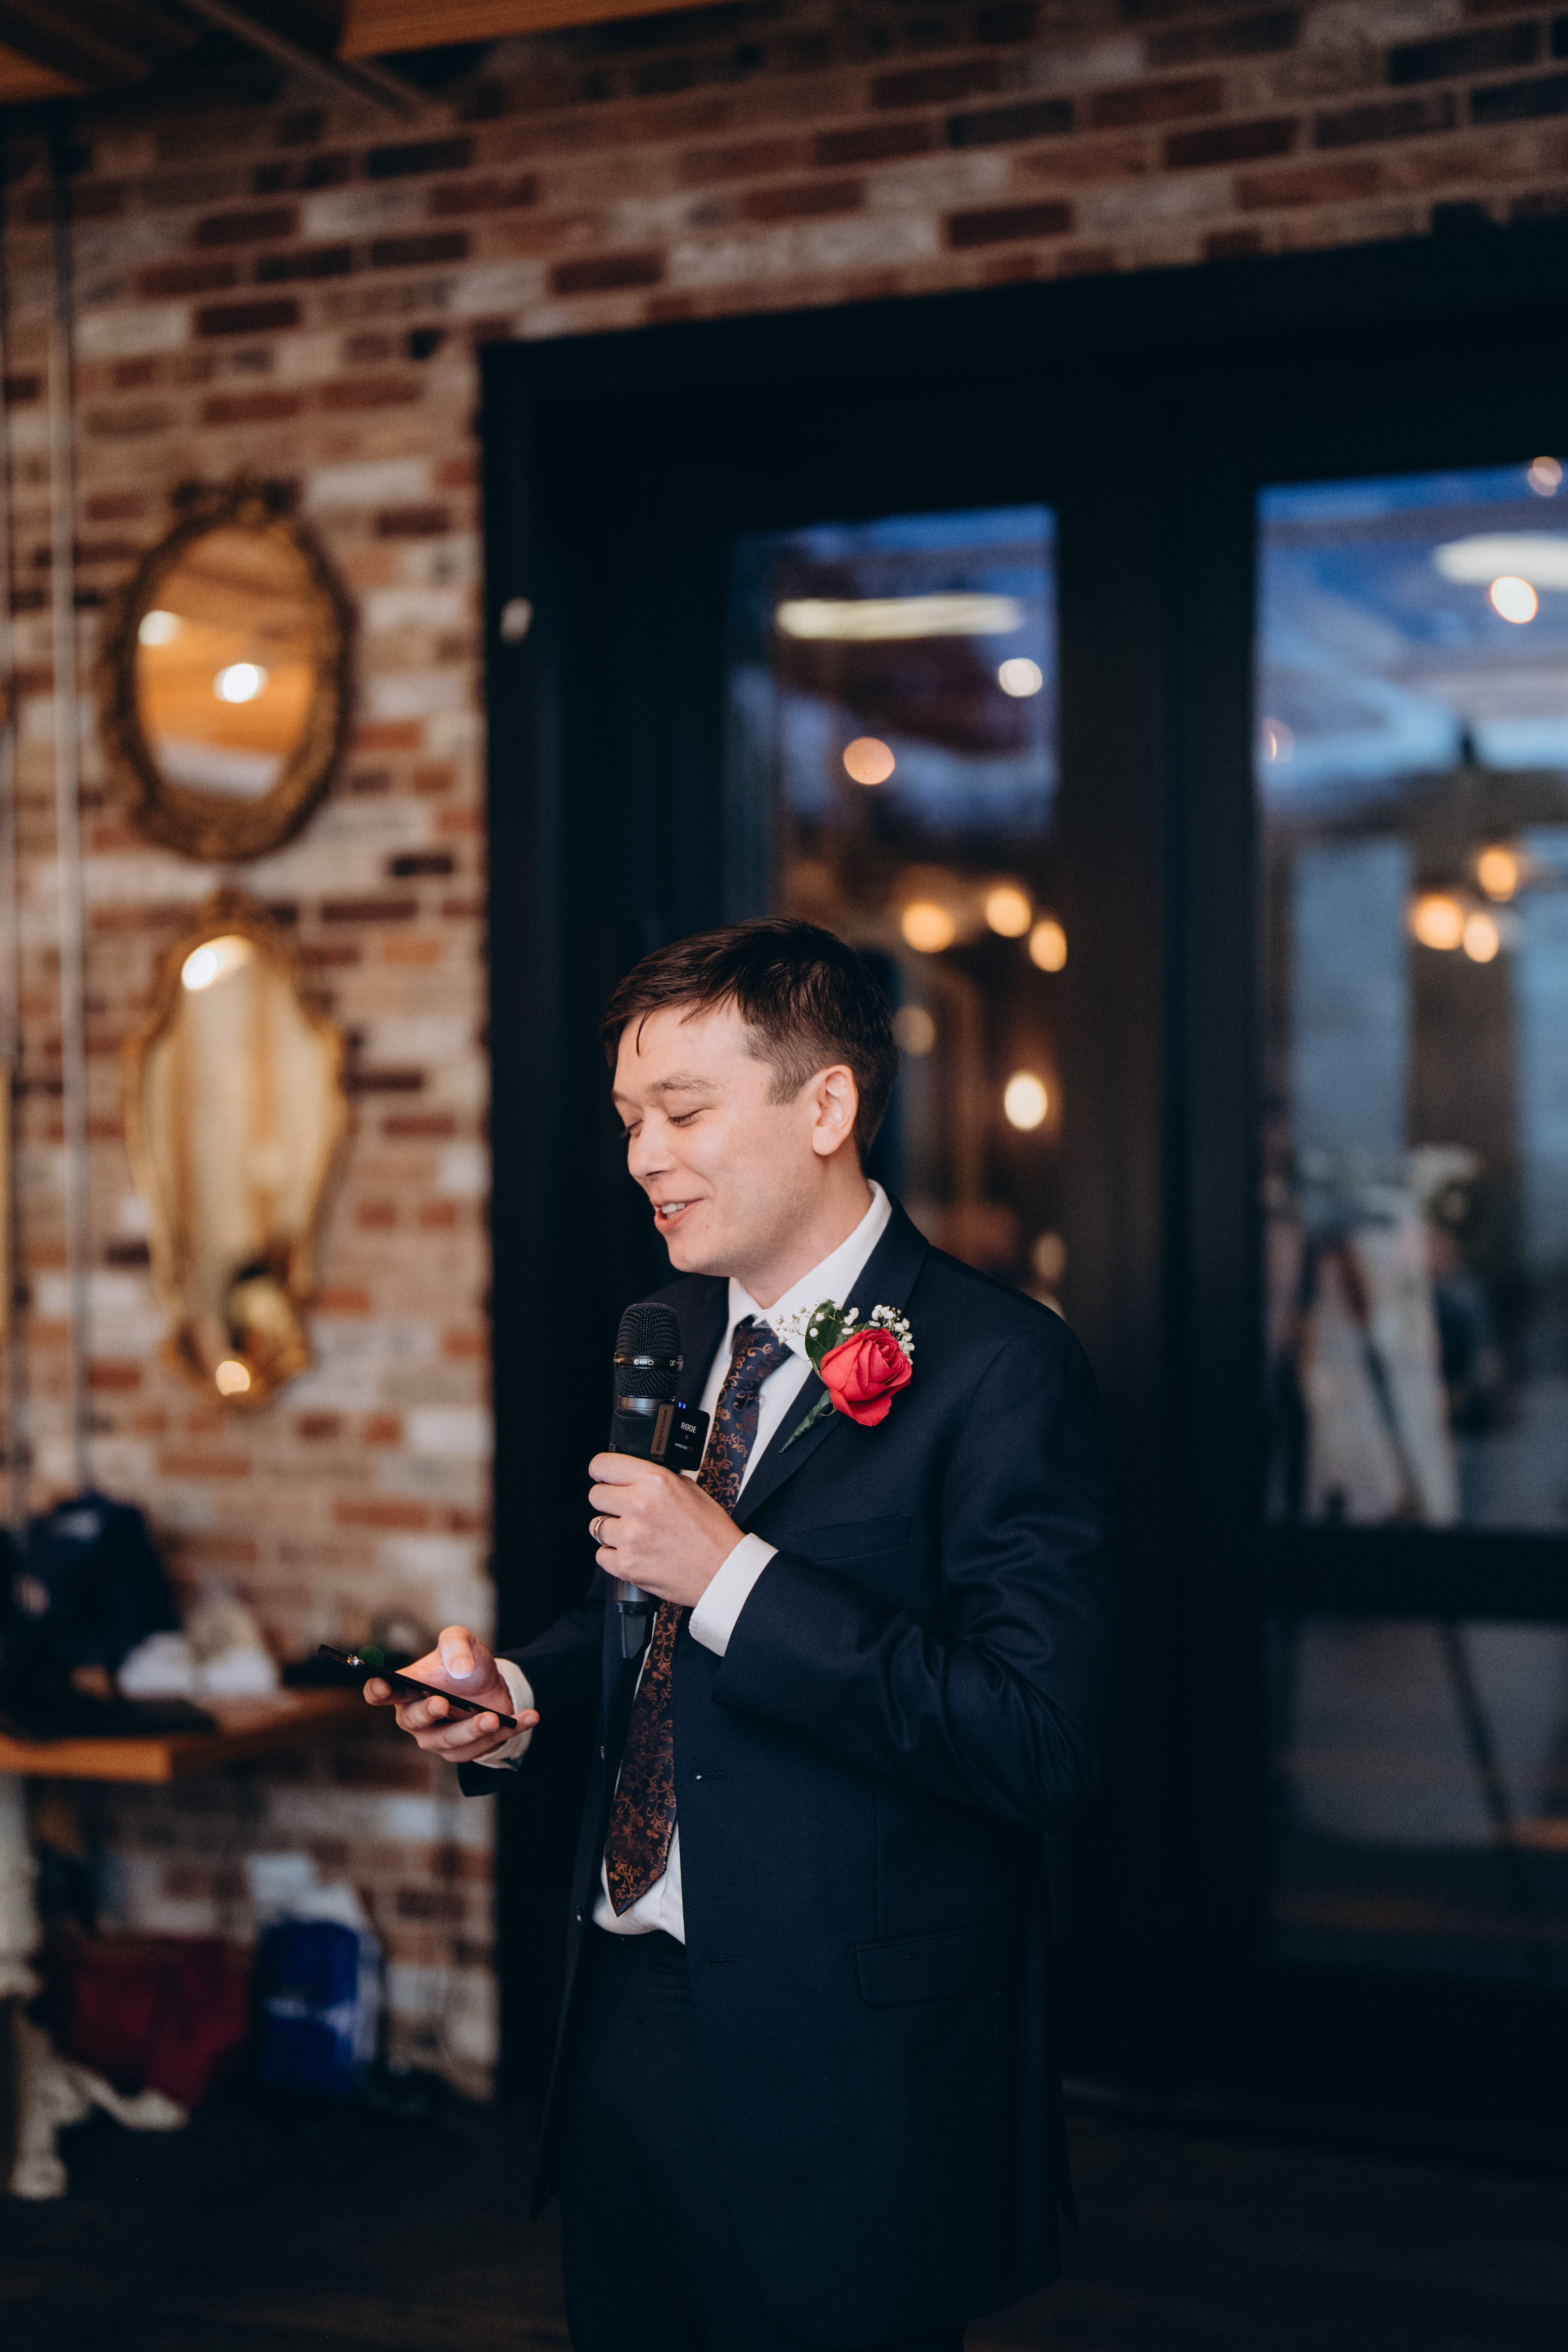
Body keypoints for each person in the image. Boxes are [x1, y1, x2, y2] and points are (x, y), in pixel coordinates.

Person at [369, 917, 1117, 2352]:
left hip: (853, 2059)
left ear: (825, 1105)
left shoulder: (1001, 1366)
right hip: (623, 2015)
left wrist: (737, 1578)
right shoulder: (665, 1330)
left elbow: (1039, 1740)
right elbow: (637, 1620)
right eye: (629, 1119)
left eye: (684, 1111)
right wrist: (512, 1690)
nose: (643, 1156)